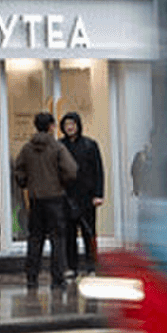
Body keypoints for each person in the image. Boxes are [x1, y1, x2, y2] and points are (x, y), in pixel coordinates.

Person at [13, 112, 77, 289]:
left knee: (35, 238)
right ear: (51, 126)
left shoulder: (27, 149)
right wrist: (62, 182)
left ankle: (32, 276)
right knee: (57, 239)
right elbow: (71, 170)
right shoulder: (57, 148)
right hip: (55, 199)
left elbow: (18, 170)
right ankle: (57, 278)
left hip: (35, 200)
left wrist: (26, 183)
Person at [59, 112, 104, 276]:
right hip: (67, 197)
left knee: (89, 233)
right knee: (69, 234)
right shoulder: (60, 146)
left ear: (78, 125)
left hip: (87, 197)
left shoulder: (90, 145)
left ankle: (91, 266)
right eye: (66, 125)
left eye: (72, 124)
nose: (69, 127)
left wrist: (98, 194)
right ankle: (72, 267)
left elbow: (98, 171)